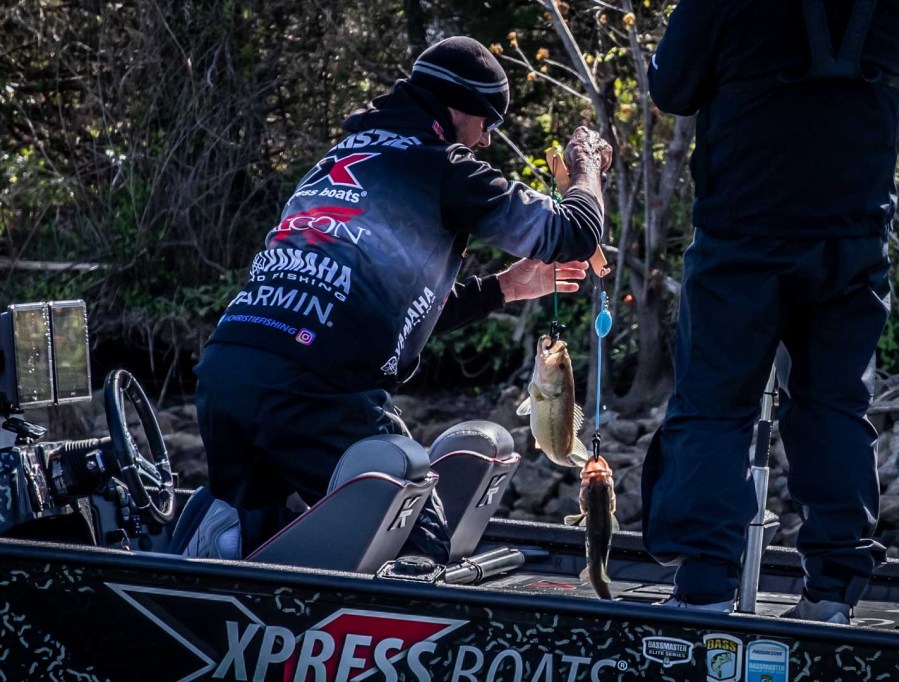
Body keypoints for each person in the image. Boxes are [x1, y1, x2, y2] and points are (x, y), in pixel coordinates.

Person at [175, 36, 612, 562]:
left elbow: (383, 310)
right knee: (417, 545)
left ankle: (219, 537)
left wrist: (504, 287)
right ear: (457, 108)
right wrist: (586, 163)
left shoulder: (339, 158)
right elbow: (574, 232)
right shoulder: (444, 167)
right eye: (487, 121)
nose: (487, 139)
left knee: (260, 518)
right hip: (315, 387)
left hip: (225, 372)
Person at [641, 0, 899, 622]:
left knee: (714, 407)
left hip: (742, 235)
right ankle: (833, 595)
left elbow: (671, 88)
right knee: (834, 407)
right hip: (851, 237)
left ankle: (703, 591)